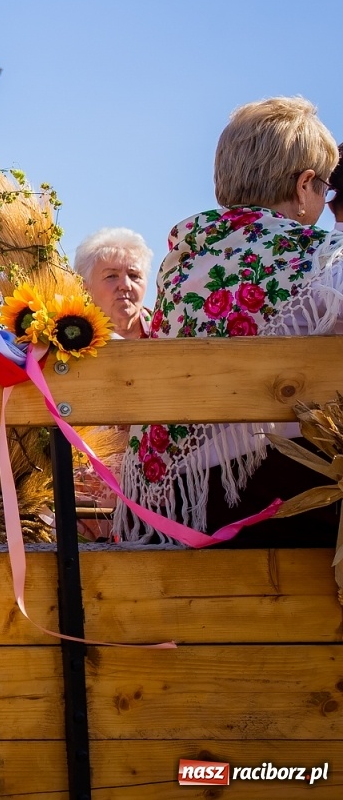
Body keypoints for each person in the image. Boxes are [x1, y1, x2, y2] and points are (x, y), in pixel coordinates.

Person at [117, 97, 342, 546]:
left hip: (173, 502)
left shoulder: (181, 261)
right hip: (265, 498)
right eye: (324, 189)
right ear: (303, 186)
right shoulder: (321, 261)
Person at [73, 228, 153, 339]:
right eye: (111, 276)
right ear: (84, 287)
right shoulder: (69, 338)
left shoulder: (171, 330)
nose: (126, 285)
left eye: (134, 275)